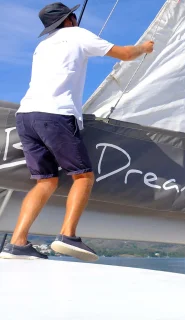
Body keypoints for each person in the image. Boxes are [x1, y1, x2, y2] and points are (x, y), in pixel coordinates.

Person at [0, 2, 154, 261]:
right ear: (70, 19)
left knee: (45, 181)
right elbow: (126, 54)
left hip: (26, 116)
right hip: (55, 114)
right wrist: (145, 48)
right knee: (83, 176)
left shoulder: (42, 46)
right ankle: (68, 236)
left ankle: (17, 243)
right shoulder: (78, 34)